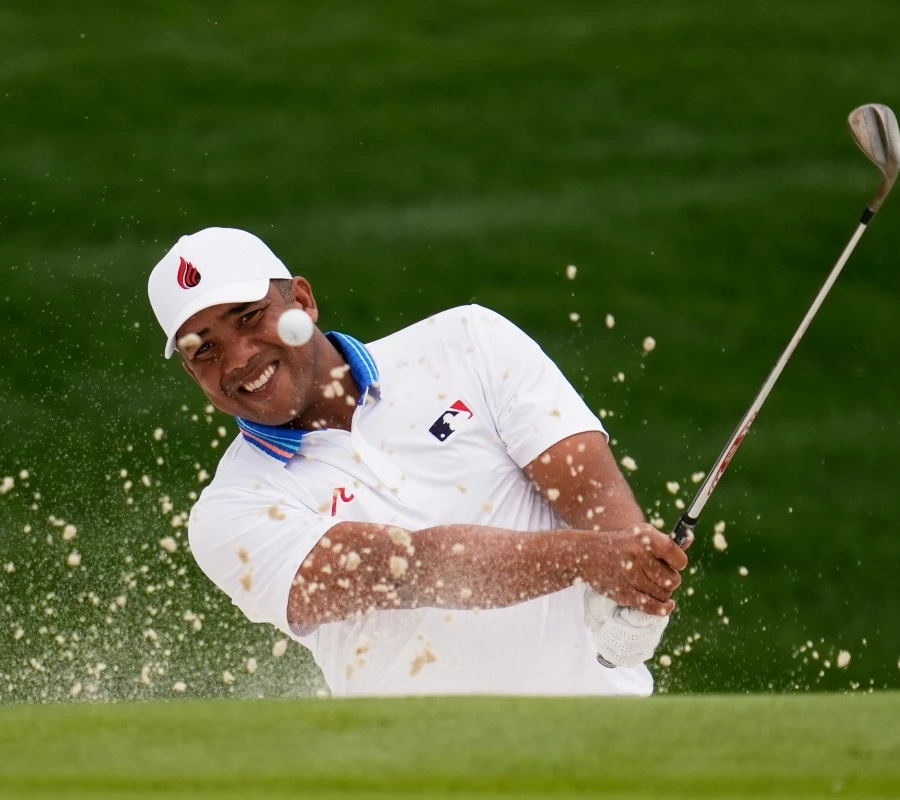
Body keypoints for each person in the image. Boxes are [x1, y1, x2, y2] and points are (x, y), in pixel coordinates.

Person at [147, 227, 690, 697]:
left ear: (303, 302)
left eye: (249, 317)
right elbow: (413, 568)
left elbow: (593, 497)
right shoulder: (231, 513)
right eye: (205, 349)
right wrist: (590, 559)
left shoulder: (469, 341)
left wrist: (635, 579)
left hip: (610, 745)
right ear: (193, 373)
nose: (238, 358)